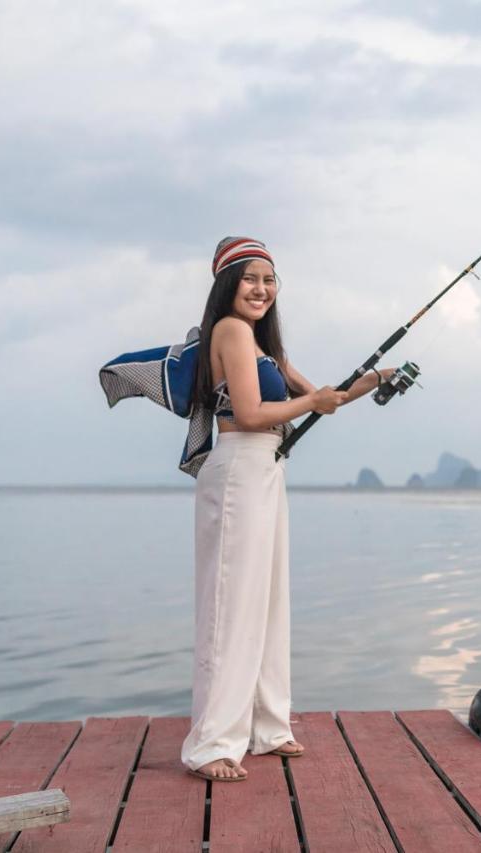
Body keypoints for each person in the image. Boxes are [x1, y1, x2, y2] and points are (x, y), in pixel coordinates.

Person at [178, 237, 386, 782]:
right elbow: (248, 412)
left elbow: (325, 397)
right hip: (239, 468)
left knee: (269, 602)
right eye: (251, 278)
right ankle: (211, 745)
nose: (262, 289)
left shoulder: (267, 349)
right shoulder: (229, 331)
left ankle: (267, 728)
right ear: (228, 283)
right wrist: (312, 402)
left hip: (267, 468)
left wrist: (376, 381)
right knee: (232, 605)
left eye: (269, 280)